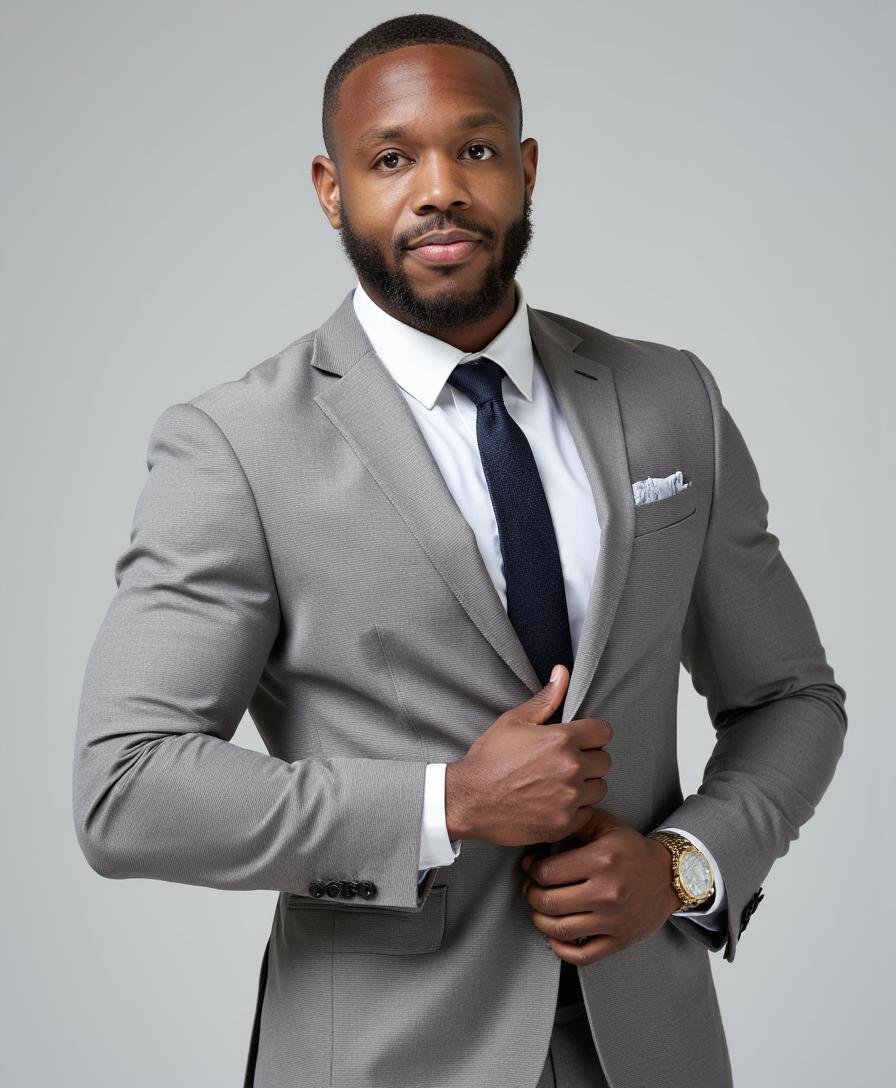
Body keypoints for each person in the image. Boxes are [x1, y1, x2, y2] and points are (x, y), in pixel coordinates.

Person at [72, 14, 847, 1088]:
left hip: (651, 1042)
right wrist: (445, 804)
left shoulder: (670, 399)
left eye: (474, 149)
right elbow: (126, 786)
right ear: (330, 188)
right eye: (390, 158)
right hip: (384, 1054)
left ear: (523, 170)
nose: (438, 187)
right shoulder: (237, 446)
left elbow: (791, 694)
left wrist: (680, 865)